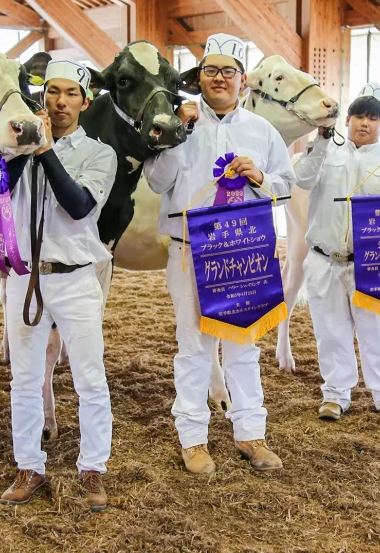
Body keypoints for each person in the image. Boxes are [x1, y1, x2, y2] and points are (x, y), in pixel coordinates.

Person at [145, 32, 295, 475]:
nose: (219, 79)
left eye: (228, 71)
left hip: (245, 248)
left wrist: (261, 177)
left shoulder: (262, 131)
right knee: (193, 347)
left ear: (243, 81)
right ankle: (193, 438)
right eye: (210, 70)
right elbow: (156, 182)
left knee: (244, 344)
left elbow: (285, 189)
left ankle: (251, 433)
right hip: (190, 249)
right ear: (199, 78)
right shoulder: (177, 124)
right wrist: (177, 134)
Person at [0, 60, 117, 511]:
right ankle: (29, 465)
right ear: (42, 97)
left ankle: (93, 469)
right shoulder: (21, 148)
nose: (60, 101)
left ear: (85, 102)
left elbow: (79, 205)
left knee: (90, 377)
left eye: (71, 93)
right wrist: (12, 154)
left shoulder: (99, 154)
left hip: (75, 278)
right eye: (53, 92)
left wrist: (45, 151)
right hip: (24, 277)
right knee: (24, 379)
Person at [294, 85, 380, 427]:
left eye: (373, 118)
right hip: (323, 257)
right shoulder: (325, 152)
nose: (365, 123)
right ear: (347, 119)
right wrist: (319, 140)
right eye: (360, 116)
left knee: (378, 329)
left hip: (371, 262)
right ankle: (335, 394)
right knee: (330, 330)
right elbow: (302, 180)